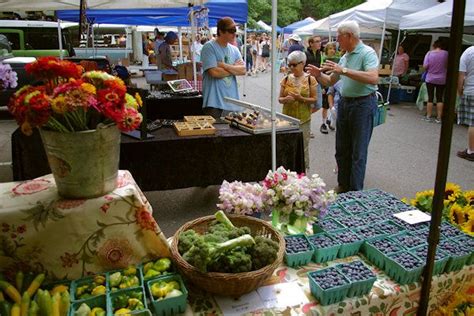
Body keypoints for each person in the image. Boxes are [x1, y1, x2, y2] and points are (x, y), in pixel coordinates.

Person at [305, 20, 379, 192]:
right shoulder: (345, 56)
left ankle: (355, 192)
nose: (337, 41)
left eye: (339, 37)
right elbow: (330, 80)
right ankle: (343, 185)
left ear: (349, 36)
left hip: (363, 104)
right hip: (345, 103)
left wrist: (344, 70)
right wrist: (317, 75)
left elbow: (373, 78)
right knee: (341, 149)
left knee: (358, 152)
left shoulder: (367, 53)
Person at [279, 51, 318, 171]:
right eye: (289, 65)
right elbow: (280, 99)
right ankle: (286, 172)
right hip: (287, 120)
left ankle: (302, 173)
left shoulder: (310, 79)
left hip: (303, 120)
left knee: (302, 148)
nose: (291, 68)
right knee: (286, 146)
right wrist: (285, 99)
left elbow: (314, 100)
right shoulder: (285, 79)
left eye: (294, 65)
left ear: (303, 64)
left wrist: (301, 99)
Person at [201, 17, 246, 119]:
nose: (234, 33)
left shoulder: (235, 49)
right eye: (231, 31)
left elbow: (243, 70)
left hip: (232, 103)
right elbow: (214, 73)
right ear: (220, 31)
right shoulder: (209, 47)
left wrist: (224, 66)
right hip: (214, 104)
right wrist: (234, 69)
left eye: (235, 30)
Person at [422, 39, 448, 123]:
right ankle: (439, 118)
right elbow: (448, 65)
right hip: (442, 79)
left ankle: (428, 116)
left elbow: (425, 66)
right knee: (440, 98)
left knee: (430, 98)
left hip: (430, 78)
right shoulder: (446, 54)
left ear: (434, 45)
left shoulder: (429, 53)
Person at [457, 45, 474, 161]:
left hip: (471, 90)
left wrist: (460, 91)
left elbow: (461, 76)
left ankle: (471, 151)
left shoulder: (468, 52)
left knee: (473, 123)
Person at [305, 36, 324, 133]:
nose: (319, 43)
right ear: (311, 43)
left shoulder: (318, 53)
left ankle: (303, 118)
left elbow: (317, 69)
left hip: (316, 82)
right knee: (310, 105)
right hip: (307, 82)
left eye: (319, 41)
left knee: (318, 104)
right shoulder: (305, 54)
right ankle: (307, 127)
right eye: (317, 41)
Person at [321, 42, 340, 132]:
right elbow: (321, 73)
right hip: (326, 85)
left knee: (334, 105)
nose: (332, 50)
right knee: (325, 106)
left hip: (336, 85)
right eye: (330, 49)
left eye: (333, 49)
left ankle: (331, 120)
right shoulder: (324, 59)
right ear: (326, 50)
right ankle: (324, 123)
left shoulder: (339, 59)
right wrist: (322, 87)